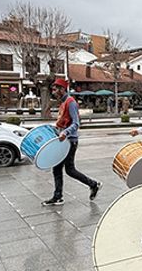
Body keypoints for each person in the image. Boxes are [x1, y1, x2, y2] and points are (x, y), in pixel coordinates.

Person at [42, 78, 101, 206]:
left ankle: (93, 184)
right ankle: (58, 196)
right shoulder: (63, 102)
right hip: (63, 141)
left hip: (70, 141)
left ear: (62, 89)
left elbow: (76, 123)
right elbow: (64, 121)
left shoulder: (71, 102)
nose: (53, 91)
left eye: (55, 89)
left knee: (69, 170)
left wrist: (65, 132)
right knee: (57, 168)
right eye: (53, 89)